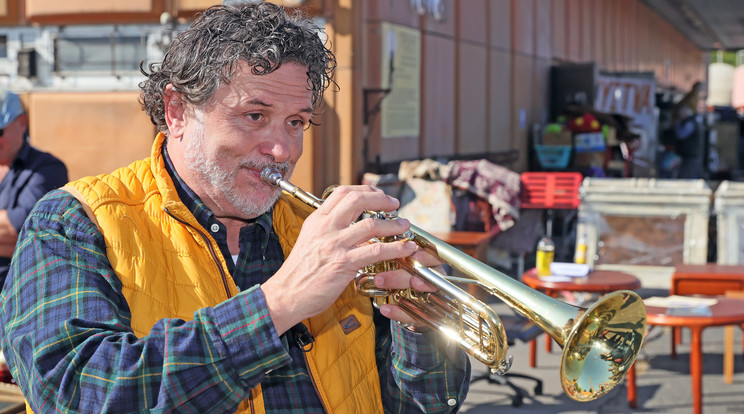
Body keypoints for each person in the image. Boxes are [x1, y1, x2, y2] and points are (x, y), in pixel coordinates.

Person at [0, 3, 470, 413]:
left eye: (297, 122)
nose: (283, 150)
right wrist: (278, 305)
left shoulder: (323, 235)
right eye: (254, 116)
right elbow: (77, 396)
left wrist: (421, 329)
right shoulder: (71, 222)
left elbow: (423, 404)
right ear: (178, 111)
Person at [0, 90, 68, 289]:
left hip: (15, 295)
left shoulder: (48, 168)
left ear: (22, 122)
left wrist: (12, 233)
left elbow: (26, 232)